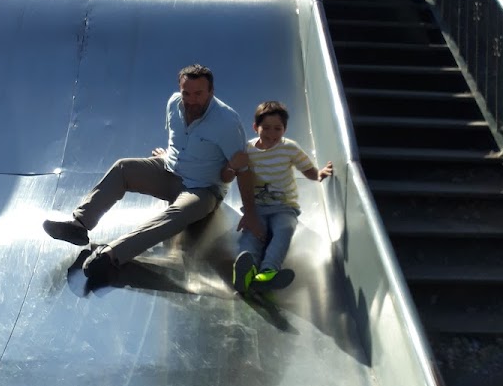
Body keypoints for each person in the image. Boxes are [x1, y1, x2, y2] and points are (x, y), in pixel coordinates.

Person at [43, 64, 264, 285]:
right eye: (186, 93)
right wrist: (168, 155)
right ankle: (79, 225)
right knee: (123, 168)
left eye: (199, 94)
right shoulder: (174, 104)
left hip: (203, 189)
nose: (192, 100)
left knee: (178, 212)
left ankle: (111, 255)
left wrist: (251, 212)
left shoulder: (227, 122)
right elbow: (181, 141)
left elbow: (243, 169)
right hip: (169, 170)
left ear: (211, 92)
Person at [223, 100, 332, 295]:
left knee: (284, 229)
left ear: (284, 129)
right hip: (257, 208)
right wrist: (231, 167)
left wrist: (319, 174)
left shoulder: (289, 148)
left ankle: (268, 272)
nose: (272, 134)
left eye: (277, 129)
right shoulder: (247, 150)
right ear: (255, 127)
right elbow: (230, 174)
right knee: (251, 236)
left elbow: (306, 168)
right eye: (266, 128)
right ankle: (246, 271)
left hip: (284, 207)